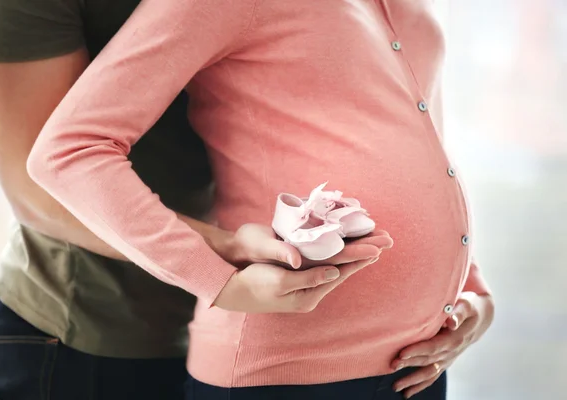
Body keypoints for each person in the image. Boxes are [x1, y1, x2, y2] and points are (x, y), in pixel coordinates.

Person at [26, 0, 495, 399]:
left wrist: (470, 291)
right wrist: (217, 279)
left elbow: (420, 141)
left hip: (419, 363)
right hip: (282, 372)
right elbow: (69, 152)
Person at [0, 0, 388, 398]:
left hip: (242, 325)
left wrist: (450, 295)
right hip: (94, 332)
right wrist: (222, 261)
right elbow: (38, 190)